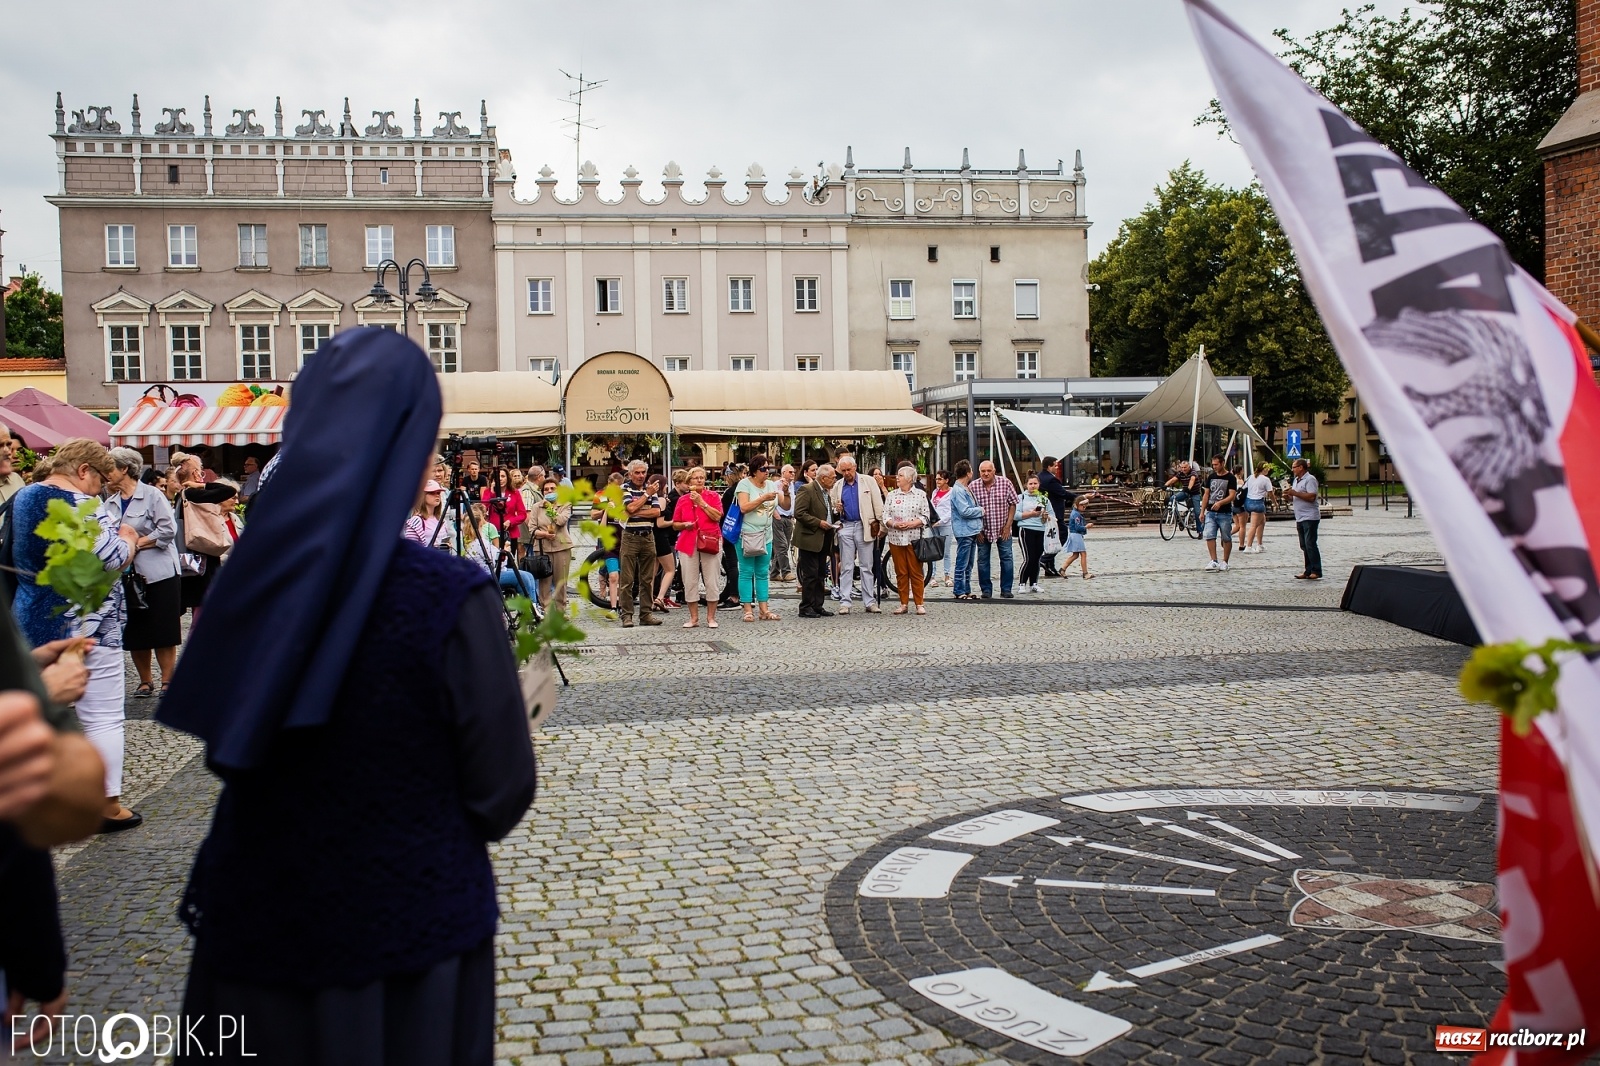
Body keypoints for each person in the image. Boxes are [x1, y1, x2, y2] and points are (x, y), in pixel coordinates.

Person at [157, 327, 536, 1066]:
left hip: (258, 922)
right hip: (411, 935)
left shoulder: (249, 582)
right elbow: (500, 792)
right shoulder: (447, 596)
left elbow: (226, 742)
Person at [10, 439, 140, 831]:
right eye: (102, 481)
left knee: (36, 710)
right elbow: (112, 558)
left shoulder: (25, 495)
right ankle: (106, 804)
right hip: (86, 620)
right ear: (84, 470)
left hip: (33, 612)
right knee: (102, 717)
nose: (102, 490)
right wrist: (130, 538)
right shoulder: (77, 504)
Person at [108, 448, 182, 701]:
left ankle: (168, 681)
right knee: (136, 631)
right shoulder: (109, 502)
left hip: (159, 573)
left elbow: (168, 530)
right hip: (127, 576)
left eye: (110, 467)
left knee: (163, 628)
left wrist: (135, 543)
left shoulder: (152, 495)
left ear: (124, 469)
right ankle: (144, 681)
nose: (106, 473)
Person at [173, 453, 239, 619]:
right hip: (202, 553)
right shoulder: (193, 494)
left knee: (201, 605)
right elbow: (228, 490)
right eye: (200, 471)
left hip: (194, 553)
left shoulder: (181, 495)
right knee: (205, 606)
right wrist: (201, 486)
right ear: (195, 473)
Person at [829, 454, 884, 614]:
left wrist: (880, 525)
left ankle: (869, 601)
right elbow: (833, 507)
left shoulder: (868, 481)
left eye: (848, 469)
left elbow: (877, 503)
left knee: (866, 566)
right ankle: (845, 601)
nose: (846, 473)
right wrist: (836, 509)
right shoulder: (838, 485)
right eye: (843, 470)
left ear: (855, 467)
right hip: (845, 525)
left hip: (864, 525)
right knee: (846, 566)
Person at [671, 467, 723, 629]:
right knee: (690, 579)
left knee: (711, 579)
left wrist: (702, 503)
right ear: (689, 482)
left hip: (710, 539)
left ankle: (711, 617)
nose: (699, 480)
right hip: (688, 541)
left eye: (702, 477)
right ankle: (693, 618)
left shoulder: (713, 496)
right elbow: (675, 524)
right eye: (695, 478)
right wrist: (684, 525)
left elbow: (717, 517)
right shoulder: (683, 500)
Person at [734, 455, 781, 623]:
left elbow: (783, 505)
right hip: (747, 534)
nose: (767, 472)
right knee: (746, 572)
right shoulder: (744, 484)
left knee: (762, 573)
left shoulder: (770, 484)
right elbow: (744, 507)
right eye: (763, 469)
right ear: (754, 471)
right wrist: (762, 498)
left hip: (766, 534)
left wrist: (786, 493)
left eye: (768, 469)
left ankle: (764, 609)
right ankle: (747, 609)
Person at [462, 504, 542, 599]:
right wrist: (506, 550)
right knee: (524, 578)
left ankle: (533, 604)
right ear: (479, 525)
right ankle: (530, 606)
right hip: (490, 574)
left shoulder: (470, 541)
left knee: (528, 575)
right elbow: (499, 562)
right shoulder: (480, 543)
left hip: (488, 572)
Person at [617, 461, 662, 628]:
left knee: (647, 579)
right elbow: (629, 508)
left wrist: (636, 510)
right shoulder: (624, 489)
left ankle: (646, 614)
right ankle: (627, 615)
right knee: (627, 579)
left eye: (643, 472)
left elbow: (656, 512)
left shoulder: (651, 488)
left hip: (648, 536)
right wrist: (646, 496)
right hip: (630, 536)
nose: (641, 475)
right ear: (629, 474)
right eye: (637, 472)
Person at [882, 466, 931, 615]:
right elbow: (885, 516)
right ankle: (903, 603)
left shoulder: (920, 495)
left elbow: (925, 516)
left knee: (916, 572)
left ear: (910, 479)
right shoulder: (891, 495)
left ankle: (919, 603)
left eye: (901, 475)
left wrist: (912, 523)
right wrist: (894, 524)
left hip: (913, 538)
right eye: (898, 475)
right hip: (896, 538)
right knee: (901, 572)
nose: (897, 477)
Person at [793, 464, 837, 618]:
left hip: (824, 537)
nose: (834, 480)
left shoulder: (826, 492)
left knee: (820, 574)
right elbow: (799, 513)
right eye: (832, 477)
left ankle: (818, 605)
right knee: (810, 574)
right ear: (823, 478)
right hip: (810, 538)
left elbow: (824, 512)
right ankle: (805, 606)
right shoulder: (807, 489)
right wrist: (818, 522)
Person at [970, 460, 1019, 599]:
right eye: (983, 471)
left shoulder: (1005, 483)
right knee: (982, 560)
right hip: (983, 529)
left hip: (1002, 528)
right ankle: (986, 590)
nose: (986, 473)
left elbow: (1013, 504)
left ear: (994, 470)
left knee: (1007, 558)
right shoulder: (973, 486)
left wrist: (1008, 525)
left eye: (988, 471)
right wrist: (977, 530)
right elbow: (970, 510)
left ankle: (1006, 589)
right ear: (979, 472)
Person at [526, 477, 573, 610]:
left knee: (560, 582)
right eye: (546, 489)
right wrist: (544, 535)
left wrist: (550, 509)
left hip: (562, 548)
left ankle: (560, 611)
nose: (549, 491)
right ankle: (545, 610)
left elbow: (560, 521)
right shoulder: (536, 507)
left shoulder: (565, 504)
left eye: (552, 488)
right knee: (544, 582)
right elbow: (532, 529)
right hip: (542, 549)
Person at [947, 460, 984, 601]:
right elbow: (964, 511)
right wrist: (980, 510)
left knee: (968, 563)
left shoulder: (965, 488)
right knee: (962, 562)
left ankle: (966, 589)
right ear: (968, 473)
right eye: (971, 470)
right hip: (964, 530)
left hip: (971, 530)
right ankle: (959, 590)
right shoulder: (958, 490)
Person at [652, 471, 687, 613]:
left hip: (654, 537)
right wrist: (677, 522)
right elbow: (660, 523)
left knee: (652, 573)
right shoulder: (662, 499)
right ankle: (660, 597)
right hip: (662, 537)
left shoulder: (654, 498)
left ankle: (651, 600)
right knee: (670, 570)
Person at [1284, 458, 1323, 580]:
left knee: (1310, 543)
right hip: (1300, 517)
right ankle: (1308, 570)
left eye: (1294, 467)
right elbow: (1296, 497)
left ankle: (1316, 570)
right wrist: (1288, 497)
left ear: (1301, 467)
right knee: (1304, 545)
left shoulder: (1310, 479)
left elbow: (1312, 496)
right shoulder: (1296, 480)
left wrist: (1295, 493)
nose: (1293, 469)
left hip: (1310, 516)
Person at [1202, 453, 1237, 572]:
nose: (1214, 467)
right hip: (1211, 512)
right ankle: (1213, 560)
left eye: (1216, 464)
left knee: (1226, 537)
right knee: (1210, 535)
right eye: (1213, 465)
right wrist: (1202, 511)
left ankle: (1225, 561)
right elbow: (1206, 494)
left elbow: (1232, 495)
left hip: (1225, 512)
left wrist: (1221, 503)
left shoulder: (1231, 478)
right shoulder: (1211, 477)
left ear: (1222, 463)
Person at [717, 466, 746, 611]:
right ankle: (742, 594)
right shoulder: (743, 488)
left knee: (732, 564)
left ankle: (734, 596)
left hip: (730, 530)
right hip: (742, 530)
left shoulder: (730, 492)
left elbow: (722, 513)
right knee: (744, 566)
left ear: (729, 475)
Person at [1015, 475, 1051, 593]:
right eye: (1030, 484)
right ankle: (1022, 583)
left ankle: (1034, 583)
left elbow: (1052, 515)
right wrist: (1031, 514)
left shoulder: (1043, 499)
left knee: (1036, 558)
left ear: (1039, 484)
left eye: (1035, 483)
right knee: (1028, 557)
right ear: (1026, 485)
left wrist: (1046, 516)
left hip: (1040, 529)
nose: (1033, 486)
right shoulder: (1021, 498)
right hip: (1026, 529)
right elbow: (1016, 515)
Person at [483, 466, 527, 561]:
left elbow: (522, 514)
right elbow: (482, 509)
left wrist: (510, 521)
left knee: (509, 562)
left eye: (503, 476)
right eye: (497, 477)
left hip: (510, 534)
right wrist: (492, 492)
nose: (500, 479)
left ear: (507, 478)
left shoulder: (515, 493)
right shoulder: (488, 492)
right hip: (493, 533)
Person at [405, 480, 456, 550]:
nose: (437, 495)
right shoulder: (416, 521)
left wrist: (446, 545)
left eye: (438, 493)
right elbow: (410, 549)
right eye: (432, 493)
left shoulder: (441, 520)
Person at [1037, 457, 1076, 546]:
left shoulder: (1039, 476)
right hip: (1054, 511)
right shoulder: (1051, 479)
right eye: (1055, 466)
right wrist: (1080, 497)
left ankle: (1047, 556)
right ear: (1049, 467)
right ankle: (1048, 557)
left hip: (1045, 509)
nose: (1057, 468)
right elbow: (1062, 493)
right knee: (1062, 533)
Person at [769, 464, 797, 583]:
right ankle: (786, 572)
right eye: (790, 472)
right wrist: (775, 513)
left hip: (788, 518)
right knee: (782, 545)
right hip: (778, 518)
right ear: (783, 472)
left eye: (793, 472)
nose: (793, 474)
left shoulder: (791, 486)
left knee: (782, 547)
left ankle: (774, 572)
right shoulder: (776, 485)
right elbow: (772, 500)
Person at [928, 471, 955, 588]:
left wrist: (941, 521)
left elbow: (951, 511)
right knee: (932, 551)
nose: (937, 481)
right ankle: (932, 577)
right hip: (933, 525)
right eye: (936, 479)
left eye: (940, 479)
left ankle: (947, 576)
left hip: (945, 524)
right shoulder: (935, 492)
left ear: (946, 480)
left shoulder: (952, 492)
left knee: (946, 551)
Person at [1058, 496, 1094, 579]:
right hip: (1076, 535)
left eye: (1085, 506)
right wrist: (1086, 527)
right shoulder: (1076, 515)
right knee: (1083, 554)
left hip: (1074, 534)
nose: (1084, 508)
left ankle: (1063, 569)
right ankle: (1085, 573)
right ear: (1077, 505)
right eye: (1083, 506)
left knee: (1075, 555)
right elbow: (1078, 527)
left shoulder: (1075, 513)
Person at [1242, 462, 1274, 553]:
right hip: (1258, 502)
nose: (1268, 470)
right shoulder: (1265, 479)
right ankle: (1248, 546)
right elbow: (1270, 493)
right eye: (1267, 468)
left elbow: (1244, 488)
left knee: (1262, 521)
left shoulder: (1250, 477)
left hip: (1248, 502)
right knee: (1253, 525)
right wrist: (1274, 503)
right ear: (1264, 469)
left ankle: (1260, 544)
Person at [1164, 460, 1203, 534]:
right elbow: (1173, 480)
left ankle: (1200, 530)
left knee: (1197, 512)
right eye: (1182, 467)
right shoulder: (1180, 473)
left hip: (1195, 493)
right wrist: (1165, 485)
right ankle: (1178, 519)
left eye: (1185, 467)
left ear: (1189, 467)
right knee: (1172, 498)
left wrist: (1189, 488)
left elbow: (1192, 480)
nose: (1183, 469)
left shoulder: (1193, 472)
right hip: (1185, 492)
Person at [1230, 464, 1248, 547]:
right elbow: (1243, 494)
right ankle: (1241, 545)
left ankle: (1226, 536)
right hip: (1240, 505)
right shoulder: (1240, 482)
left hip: (1233, 505)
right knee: (1242, 526)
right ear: (1240, 471)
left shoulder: (1231, 480)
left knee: (1237, 526)